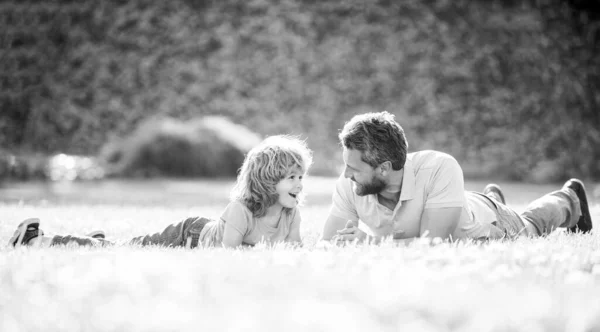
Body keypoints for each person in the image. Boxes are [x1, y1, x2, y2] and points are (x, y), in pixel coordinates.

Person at [321, 111, 593, 244]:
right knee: (472, 205)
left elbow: (434, 246)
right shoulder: (350, 183)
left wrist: (369, 242)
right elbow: (328, 243)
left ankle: (568, 199)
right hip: (457, 204)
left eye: (354, 169)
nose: (346, 175)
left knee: (531, 226)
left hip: (490, 224)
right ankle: (491, 197)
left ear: (383, 168)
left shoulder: (440, 167)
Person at [9, 135, 313, 249]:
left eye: (301, 176)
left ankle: (94, 240)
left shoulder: (291, 213)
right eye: (291, 177)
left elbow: (295, 249)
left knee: (119, 245)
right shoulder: (241, 210)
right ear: (266, 180)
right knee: (124, 248)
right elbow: (226, 254)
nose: (300, 184)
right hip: (187, 236)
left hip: (198, 235)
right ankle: (35, 239)